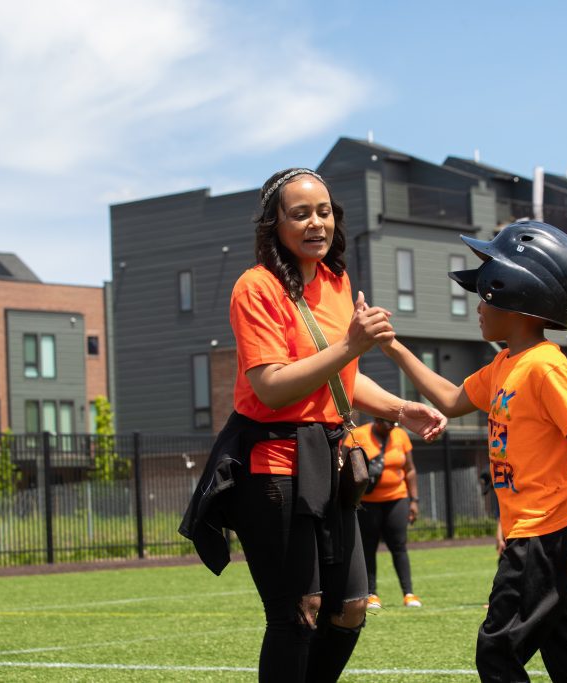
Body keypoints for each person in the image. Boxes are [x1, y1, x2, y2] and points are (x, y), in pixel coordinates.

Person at [180, 168, 446, 683]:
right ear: (273, 224)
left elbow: (341, 375)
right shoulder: (255, 287)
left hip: (332, 458)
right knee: (298, 612)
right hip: (273, 466)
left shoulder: (337, 281)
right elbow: (273, 385)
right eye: (300, 213)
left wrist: (399, 409)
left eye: (323, 211)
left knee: (350, 608)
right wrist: (352, 344)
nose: (316, 223)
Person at [381, 221, 567, 682]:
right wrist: (391, 347)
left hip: (546, 537)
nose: (479, 307)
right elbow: (449, 400)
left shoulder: (546, 368)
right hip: (530, 534)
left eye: (487, 295)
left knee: (497, 651)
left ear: (521, 298)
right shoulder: (505, 365)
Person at [346, 416, 423, 610]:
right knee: (368, 547)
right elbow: (346, 466)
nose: (391, 427)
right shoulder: (358, 435)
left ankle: (409, 593)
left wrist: (414, 500)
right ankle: (371, 594)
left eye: (394, 423)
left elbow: (411, 469)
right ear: (376, 420)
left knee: (399, 546)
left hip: (397, 498)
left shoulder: (401, 436)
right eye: (387, 423)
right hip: (368, 502)